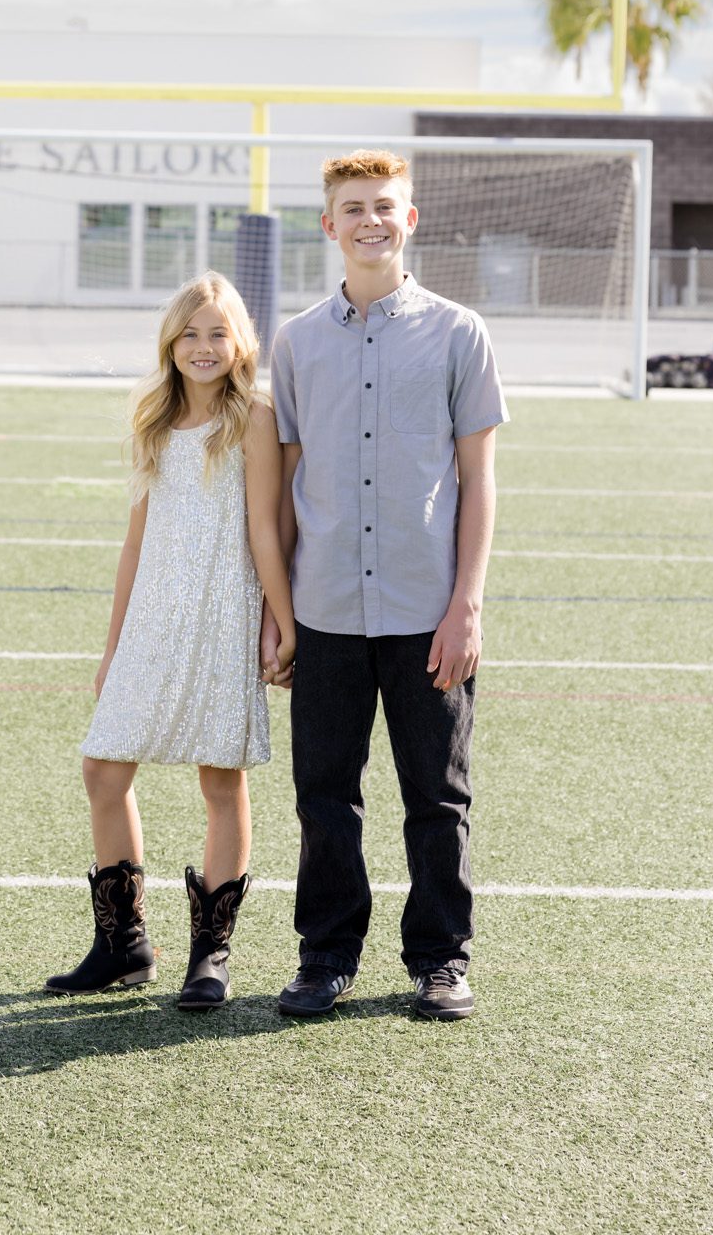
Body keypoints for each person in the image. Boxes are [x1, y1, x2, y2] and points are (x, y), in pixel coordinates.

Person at [262, 149, 507, 1022]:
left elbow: (479, 481)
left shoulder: (458, 332)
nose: (370, 220)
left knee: (437, 796)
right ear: (328, 226)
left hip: (425, 610)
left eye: (385, 206)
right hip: (325, 607)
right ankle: (325, 956)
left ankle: (441, 960)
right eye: (352, 208)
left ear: (411, 220)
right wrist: (275, 613)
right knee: (324, 797)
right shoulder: (293, 344)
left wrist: (465, 606)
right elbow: (285, 489)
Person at [46, 272, 296, 1010]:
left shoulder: (252, 418)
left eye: (218, 332)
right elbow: (135, 541)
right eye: (188, 333)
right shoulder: (154, 421)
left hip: (223, 612)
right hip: (153, 618)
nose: (203, 346)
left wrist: (279, 622)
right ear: (169, 342)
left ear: (241, 341)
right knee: (102, 769)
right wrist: (112, 643)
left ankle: (209, 957)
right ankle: (124, 946)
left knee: (219, 779)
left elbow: (265, 531)